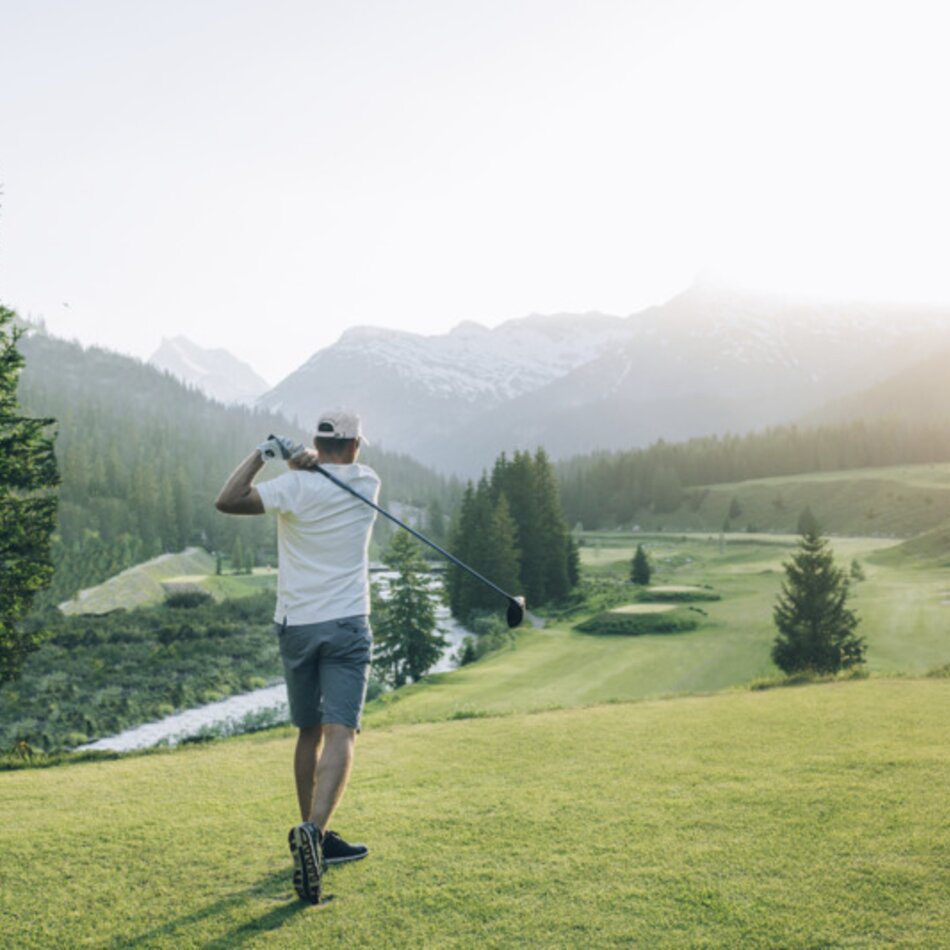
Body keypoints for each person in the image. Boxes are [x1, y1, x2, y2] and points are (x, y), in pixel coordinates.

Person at [215, 408, 380, 906]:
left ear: (315, 441)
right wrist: (304, 464)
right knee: (341, 730)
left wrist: (267, 453)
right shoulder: (367, 482)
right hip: (347, 622)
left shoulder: (293, 488)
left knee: (310, 731)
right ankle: (313, 832)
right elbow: (330, 478)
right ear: (352, 446)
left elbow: (228, 500)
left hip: (297, 625)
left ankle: (317, 837)